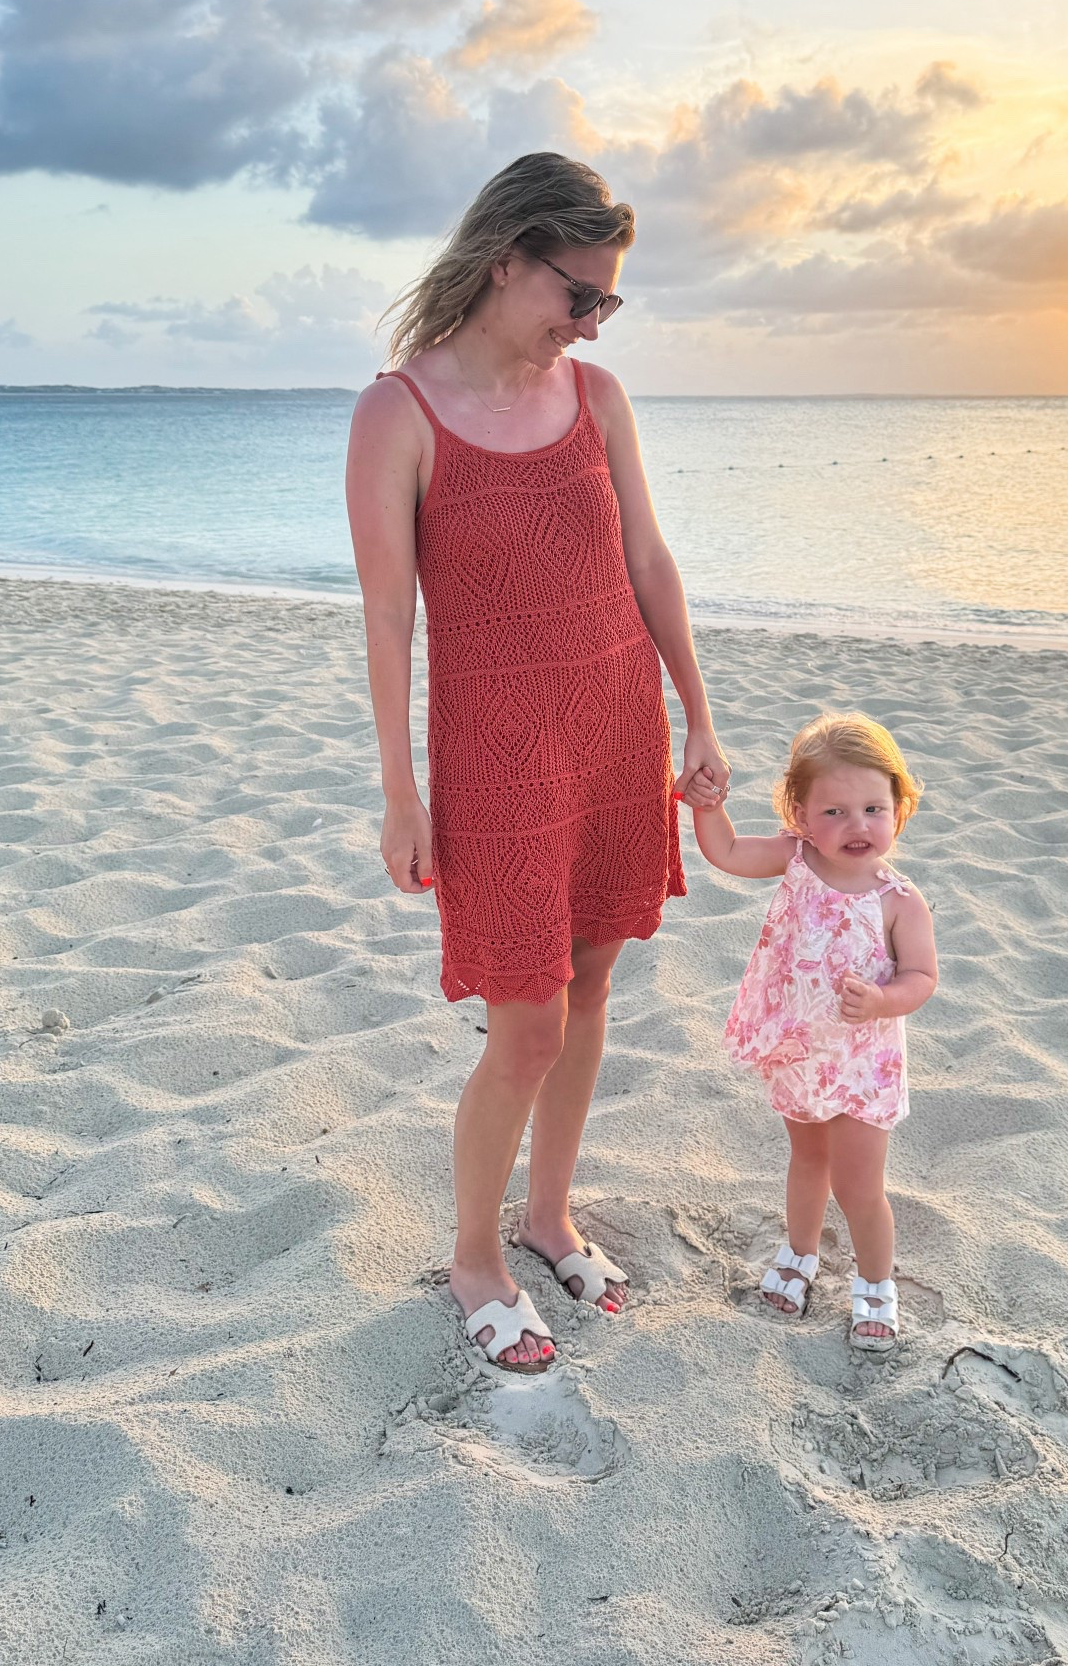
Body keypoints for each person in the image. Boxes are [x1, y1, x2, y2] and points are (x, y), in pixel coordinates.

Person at [345, 152, 729, 1375]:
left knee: (593, 986)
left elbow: (652, 567)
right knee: (523, 1023)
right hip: (498, 753)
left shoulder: (601, 397)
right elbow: (389, 616)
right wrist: (401, 790)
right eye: (579, 292)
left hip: (615, 724)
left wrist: (699, 714)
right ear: (504, 258)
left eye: (608, 302)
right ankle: (475, 1254)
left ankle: (550, 1213)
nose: (592, 319)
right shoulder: (397, 411)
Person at [684, 713, 936, 1349]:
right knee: (807, 1160)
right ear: (800, 813)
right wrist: (707, 808)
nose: (856, 826)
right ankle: (800, 1253)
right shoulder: (794, 860)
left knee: (857, 1183)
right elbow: (728, 853)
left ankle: (876, 1283)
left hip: (861, 1063)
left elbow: (922, 977)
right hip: (800, 1051)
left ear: (900, 809)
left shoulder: (898, 900)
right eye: (835, 812)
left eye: (873, 808)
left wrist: (882, 999)